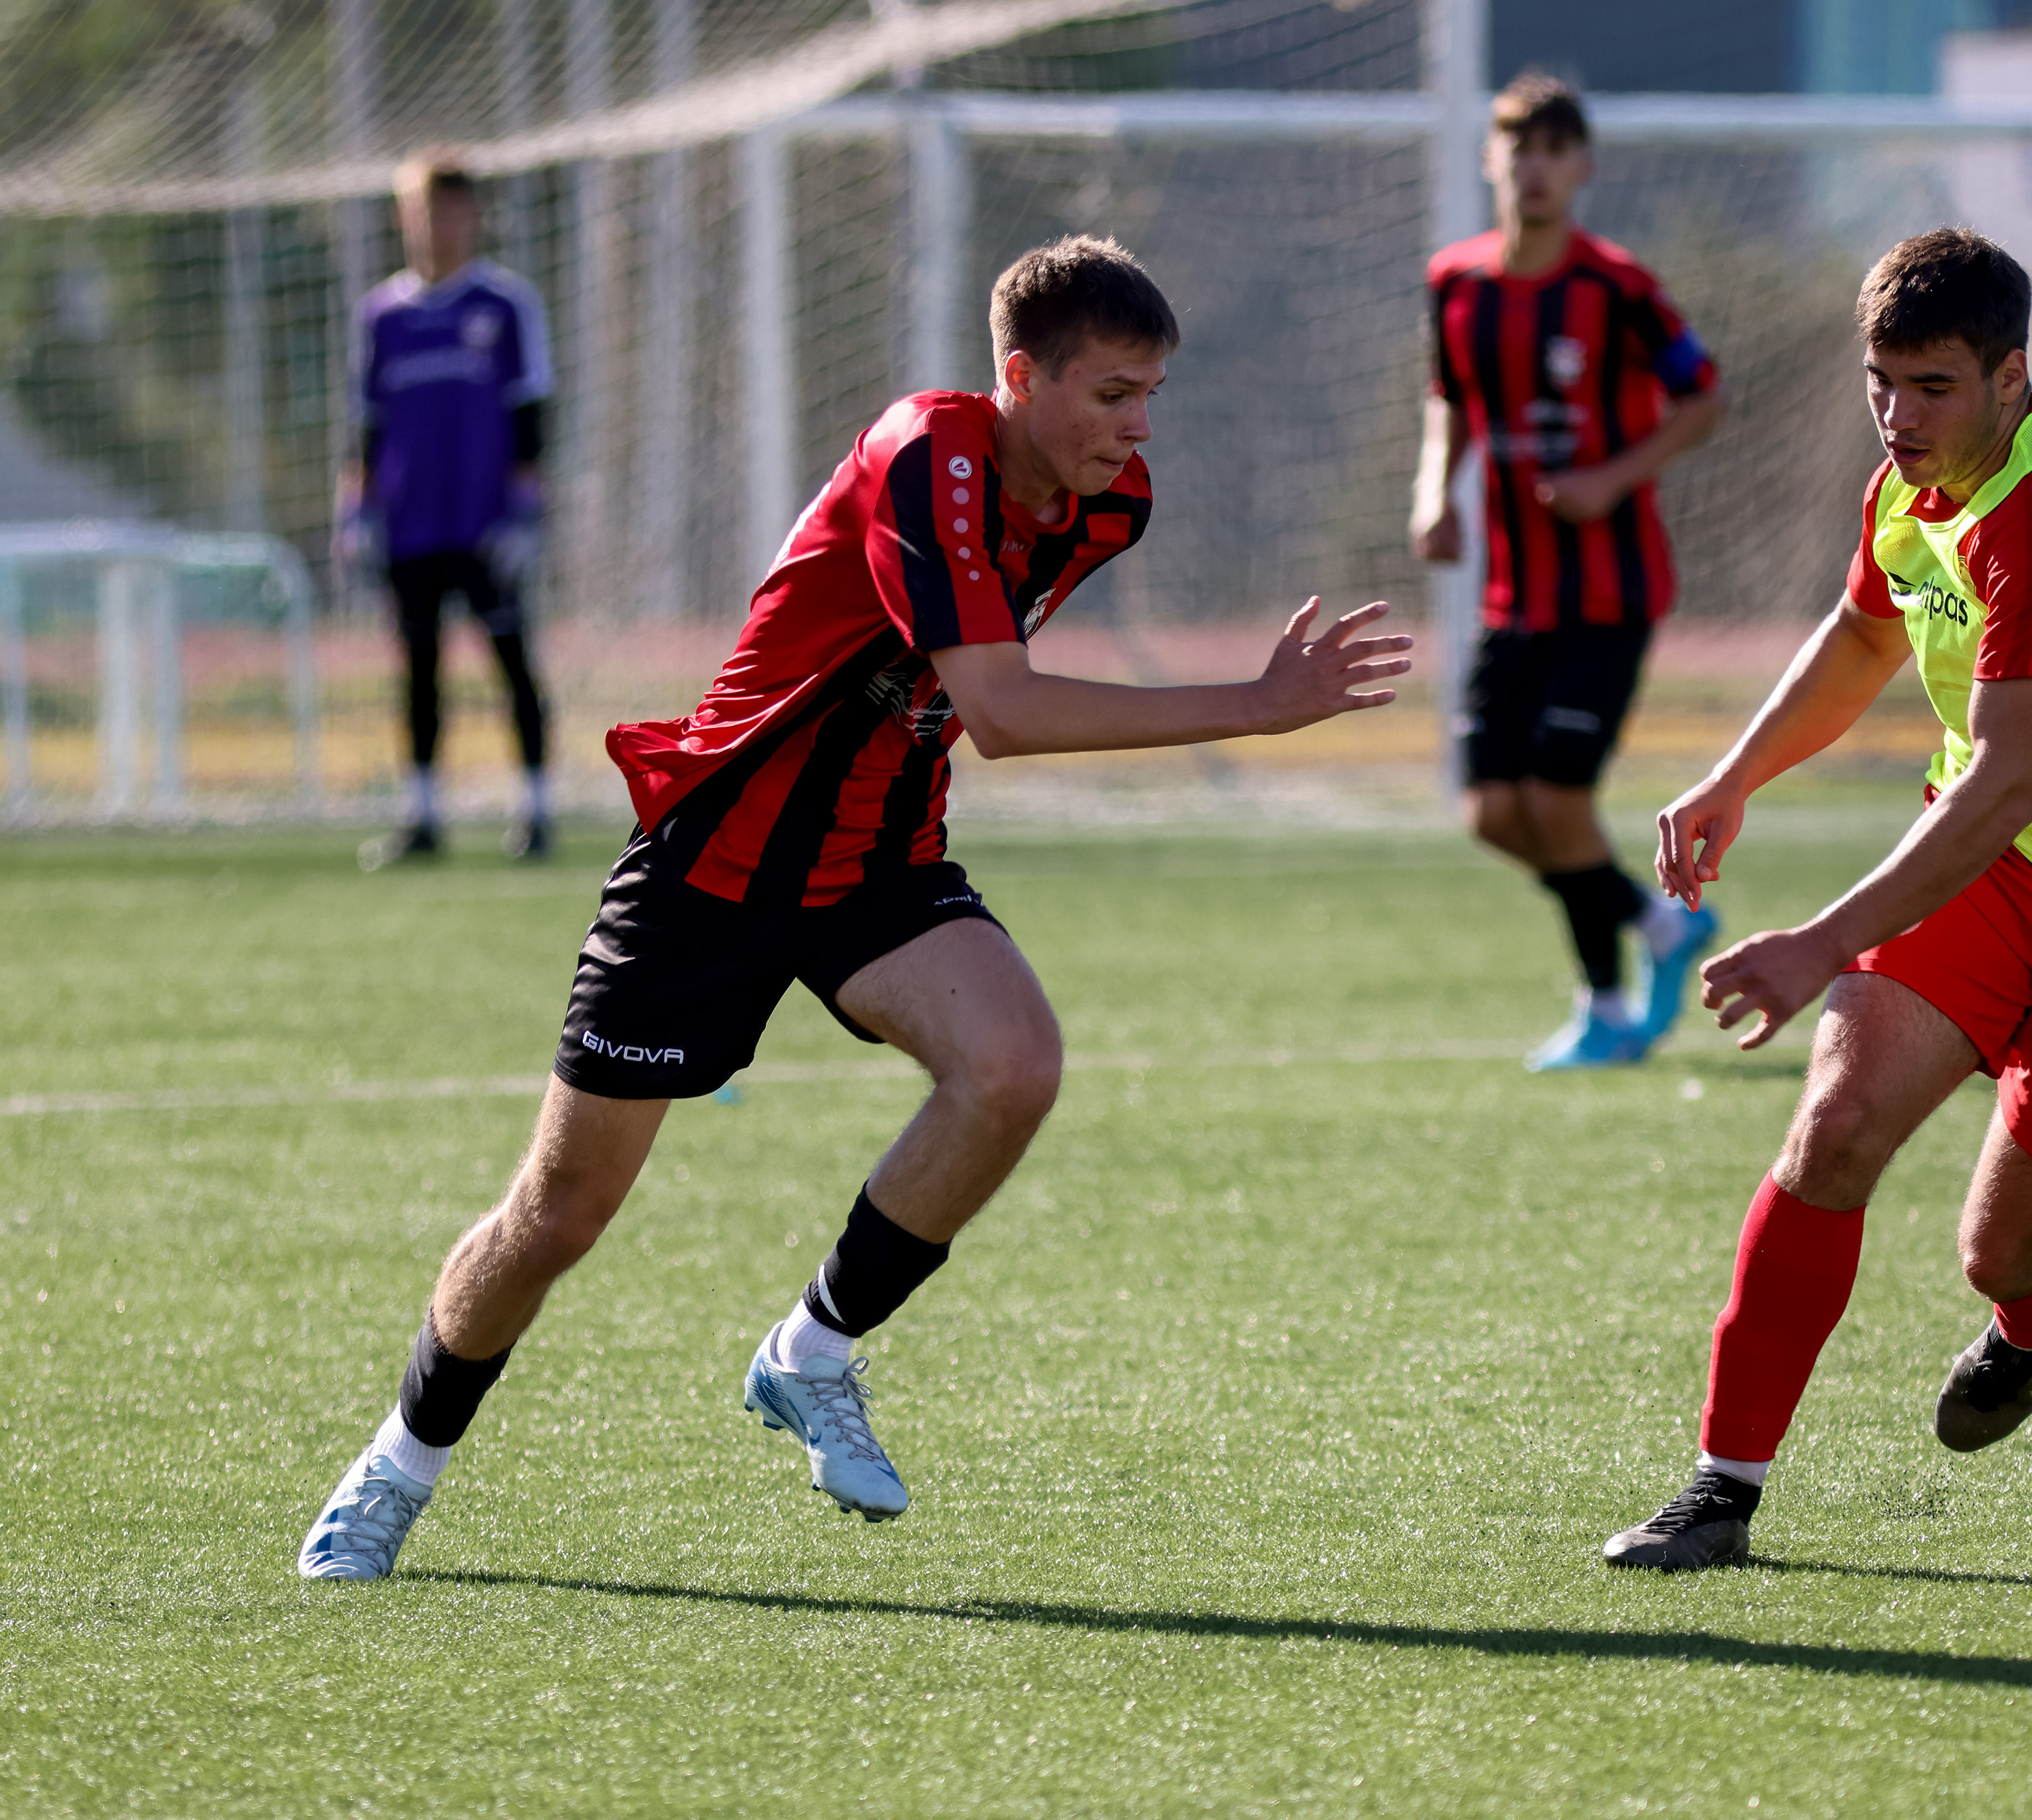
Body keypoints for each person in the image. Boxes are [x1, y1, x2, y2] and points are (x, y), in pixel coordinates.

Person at [297, 235, 1411, 1578]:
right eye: (1113, 394)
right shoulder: (927, 451)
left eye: (1151, 394)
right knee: (559, 1214)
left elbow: (949, 685)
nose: (1139, 427)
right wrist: (1256, 705)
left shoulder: (1108, 504)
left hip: (879, 856)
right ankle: (395, 1466)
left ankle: (810, 1350)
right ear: (1019, 379)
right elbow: (1001, 708)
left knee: (1011, 1067)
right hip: (715, 859)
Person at [1602, 229, 2032, 1570]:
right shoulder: (1909, 487)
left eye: (1931, 387)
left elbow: (2009, 783)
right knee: (1835, 1126)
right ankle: (1719, 1492)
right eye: (1881, 383)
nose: (1897, 417)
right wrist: (1734, 777)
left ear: (2011, 377)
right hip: (1991, 870)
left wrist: (1818, 942)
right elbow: (1863, 633)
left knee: (2000, 1251)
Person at [1411, 72, 1732, 1073]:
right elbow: (1448, 399)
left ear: (1581, 166)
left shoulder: (1616, 288)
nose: (1535, 168)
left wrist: (1611, 478)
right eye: (1520, 148)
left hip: (1608, 590)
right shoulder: (1455, 283)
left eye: (1555, 149)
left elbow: (1704, 397)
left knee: (1554, 803)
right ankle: (1661, 922)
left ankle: (1604, 1008)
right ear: (1491, 160)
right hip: (1513, 593)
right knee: (1491, 812)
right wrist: (1434, 494)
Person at [339, 153, 556, 865]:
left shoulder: (506, 305)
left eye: (452, 211)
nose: (439, 226)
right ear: (404, 218)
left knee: (511, 661)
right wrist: (356, 512)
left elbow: (529, 417)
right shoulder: (382, 315)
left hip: (485, 525)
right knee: (419, 670)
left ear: (473, 216)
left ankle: (536, 811)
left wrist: (524, 512)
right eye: (425, 212)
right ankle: (423, 818)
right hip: (410, 526)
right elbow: (366, 426)